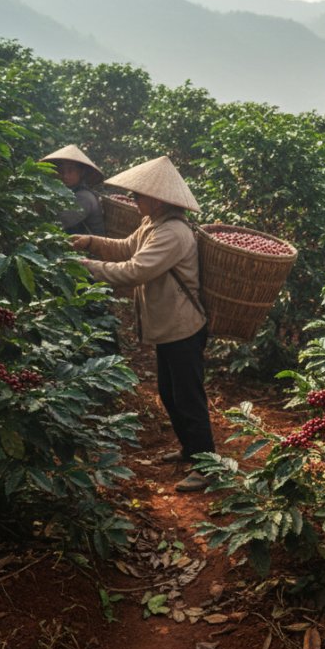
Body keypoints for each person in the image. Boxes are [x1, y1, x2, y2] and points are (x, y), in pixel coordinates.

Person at [69, 156, 214, 492]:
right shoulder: (153, 225)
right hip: (167, 325)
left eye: (139, 196)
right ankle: (192, 451)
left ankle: (210, 468)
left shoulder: (174, 233)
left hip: (183, 327)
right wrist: (92, 242)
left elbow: (134, 270)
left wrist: (86, 266)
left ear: (158, 199)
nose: (134, 201)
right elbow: (125, 248)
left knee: (188, 397)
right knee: (169, 392)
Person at [41, 145, 106, 236]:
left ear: (81, 172)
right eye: (61, 171)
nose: (65, 176)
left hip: (89, 248)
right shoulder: (66, 193)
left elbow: (57, 223)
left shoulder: (85, 197)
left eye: (70, 171)